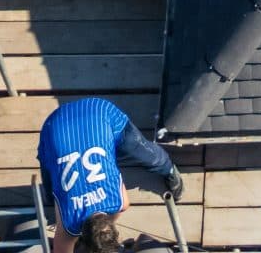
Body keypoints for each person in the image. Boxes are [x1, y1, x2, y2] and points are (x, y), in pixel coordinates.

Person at [37, 96, 184, 253]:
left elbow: (123, 206)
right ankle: (50, 196)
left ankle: (168, 168)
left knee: (148, 154)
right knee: (50, 178)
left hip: (87, 117)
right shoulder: (70, 223)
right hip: (66, 122)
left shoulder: (114, 202)